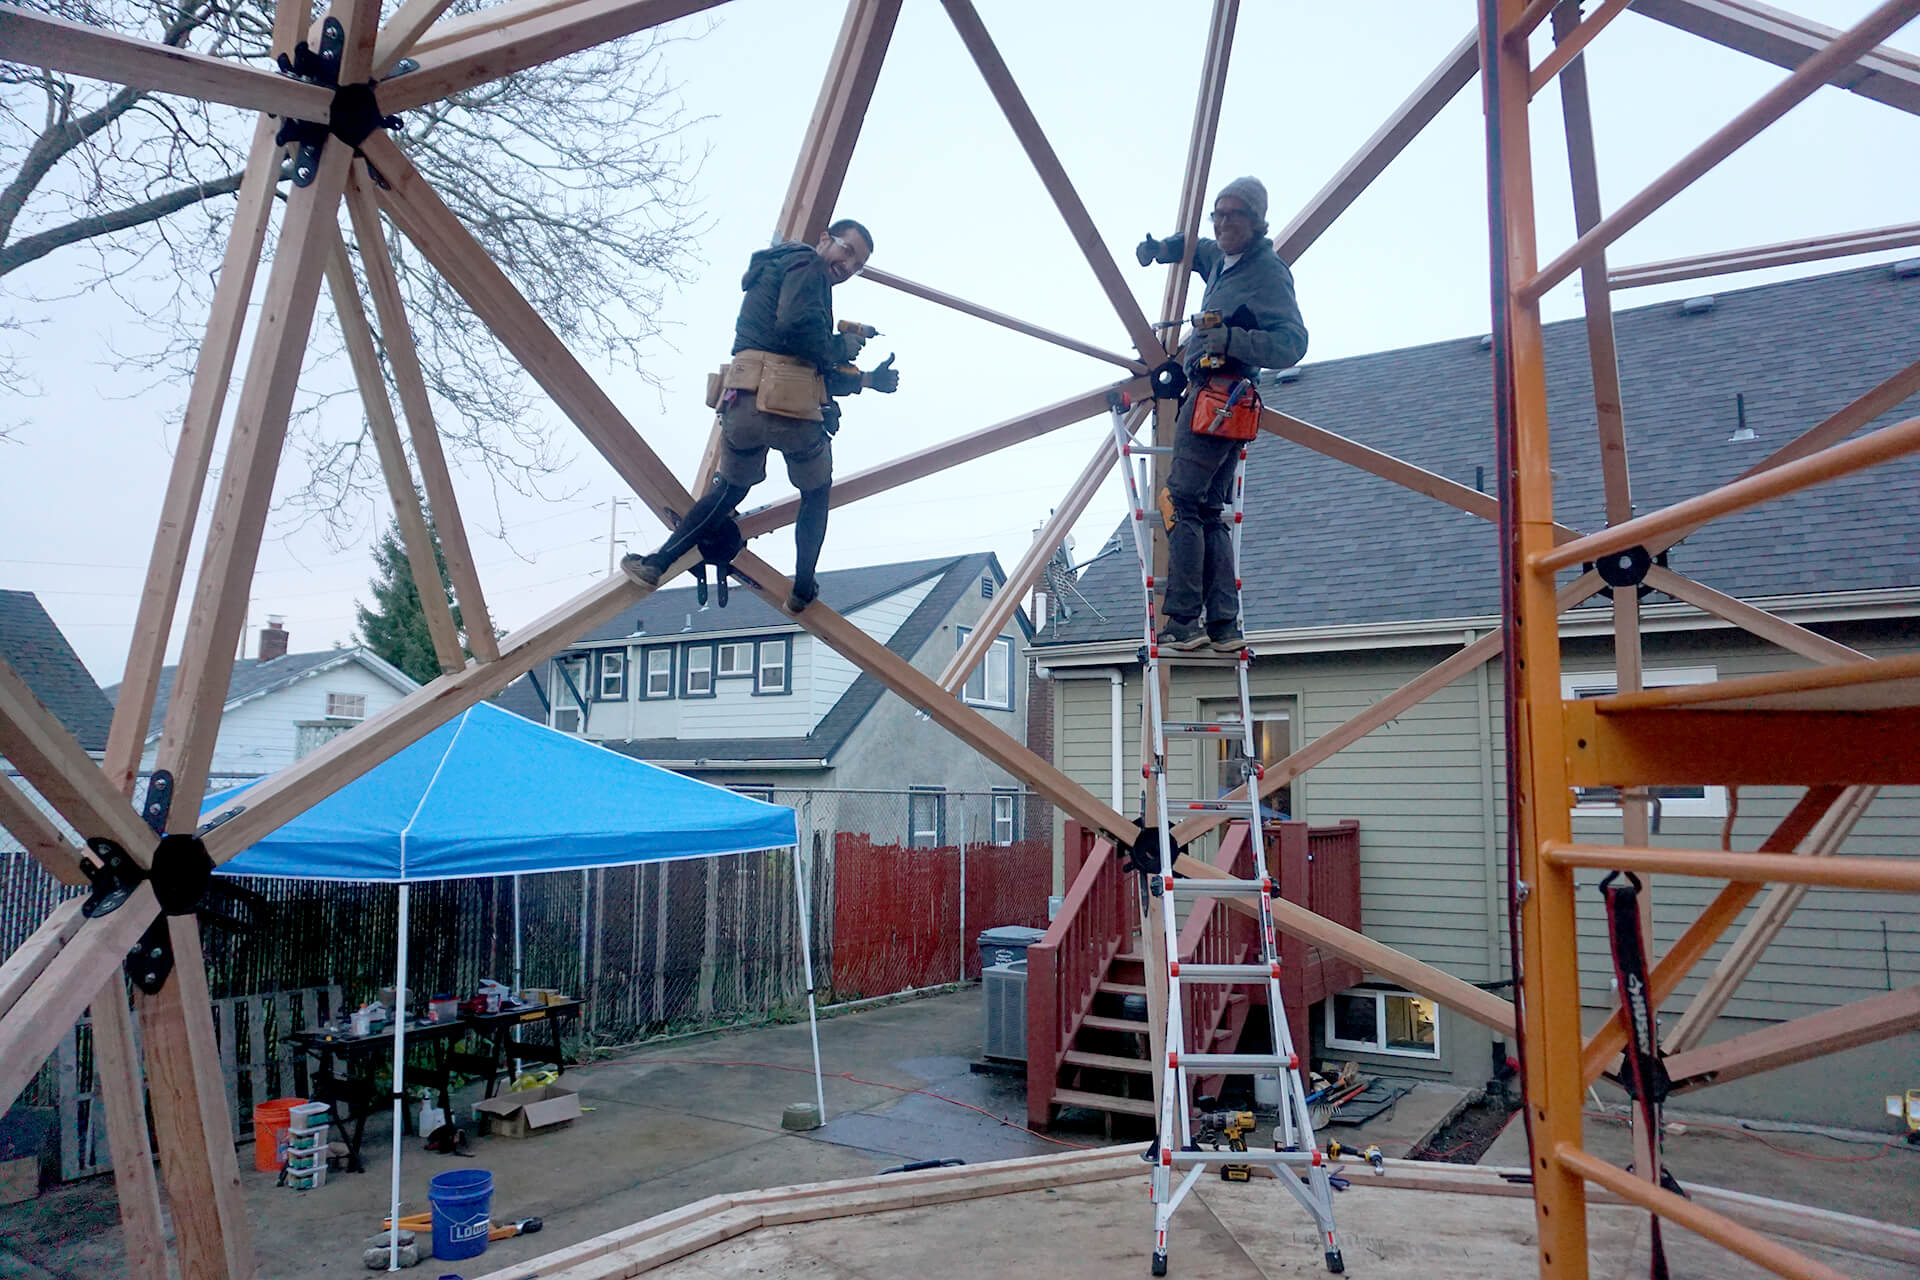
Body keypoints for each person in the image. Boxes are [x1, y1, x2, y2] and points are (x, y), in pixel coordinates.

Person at [623, 219, 900, 611]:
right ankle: (803, 588)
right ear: (824, 239)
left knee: (728, 490)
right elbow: (799, 335)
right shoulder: (808, 264)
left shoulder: (775, 269)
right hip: (792, 415)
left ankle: (656, 563)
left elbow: (804, 362)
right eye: (848, 251)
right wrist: (842, 346)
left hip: (744, 402)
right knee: (816, 492)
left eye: (858, 266)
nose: (849, 266)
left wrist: (868, 379)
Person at [1133, 177, 1307, 651]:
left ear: (1257, 221)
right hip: (1218, 399)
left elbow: (1293, 343)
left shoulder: (1268, 272)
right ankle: (1225, 626)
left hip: (1222, 398)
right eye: (1219, 214)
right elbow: (1196, 248)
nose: (1225, 223)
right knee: (1209, 509)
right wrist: (1160, 250)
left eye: (1235, 215)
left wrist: (1231, 340)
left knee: (1180, 501)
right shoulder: (1221, 260)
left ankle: (1184, 622)